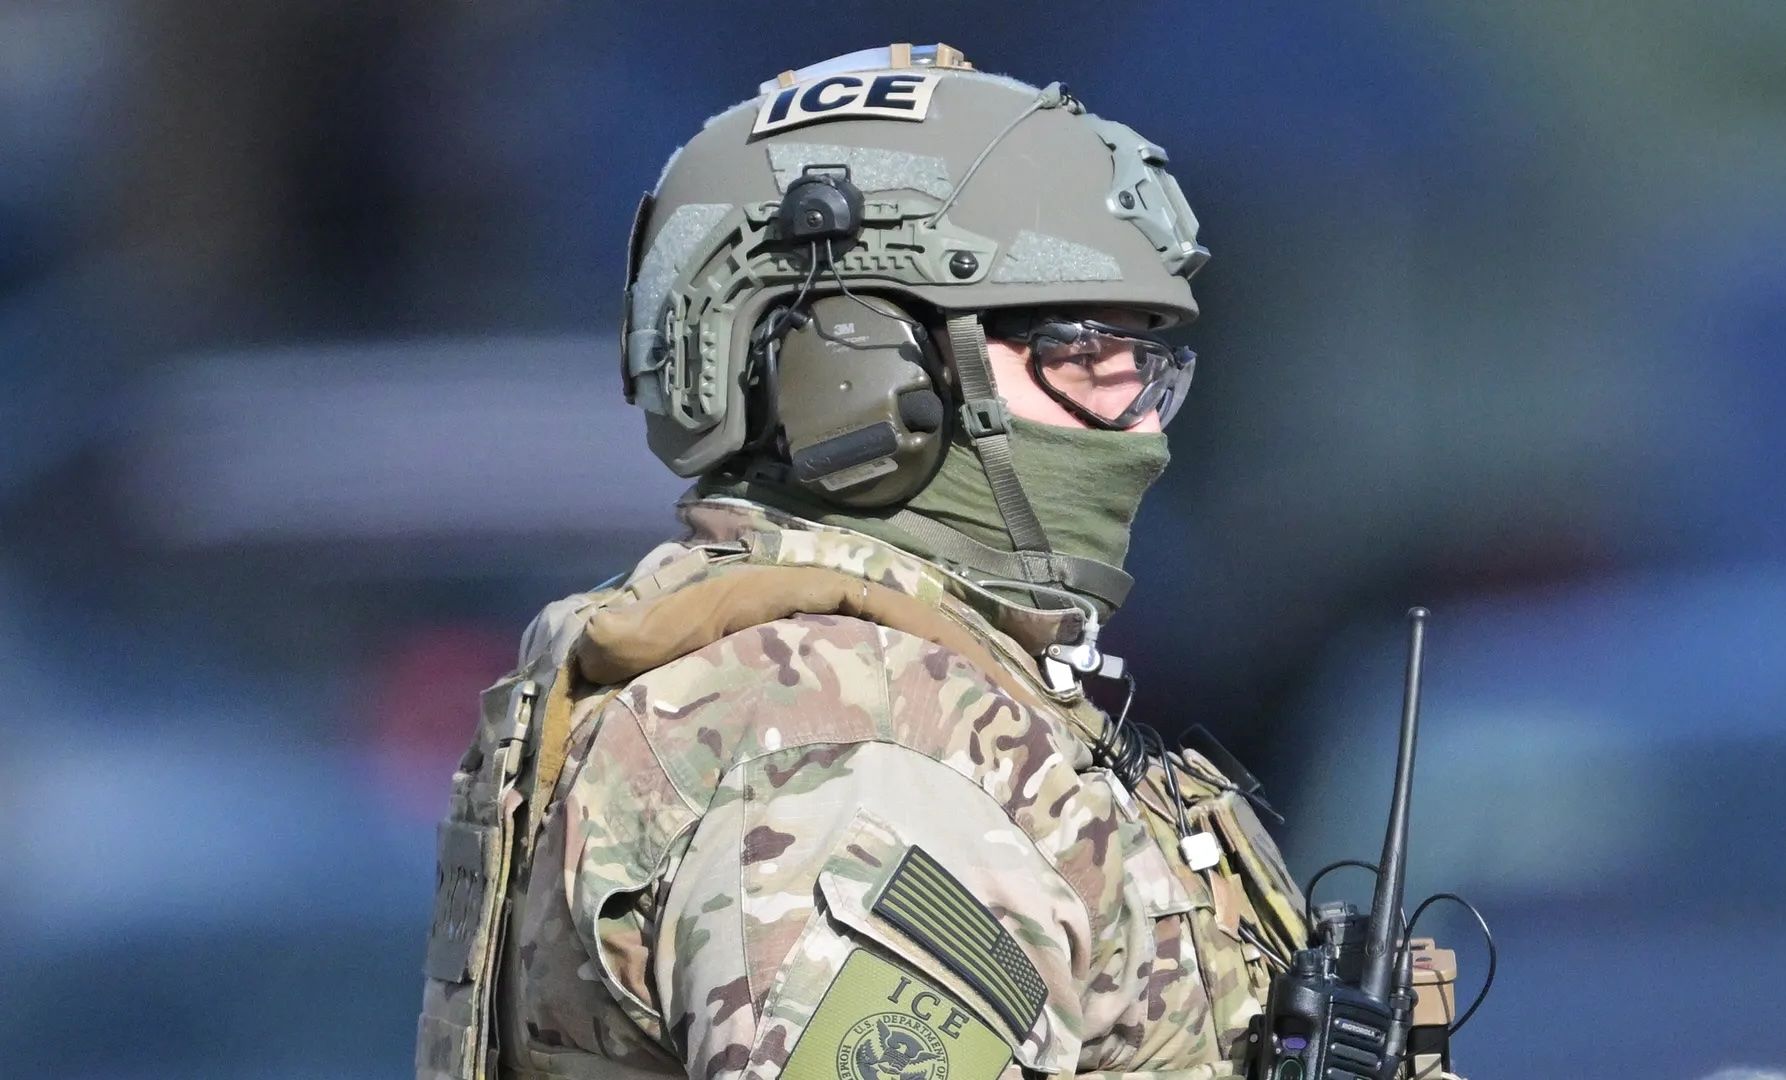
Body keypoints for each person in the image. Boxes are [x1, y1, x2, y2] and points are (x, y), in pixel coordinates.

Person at [416, 43, 1335, 1080]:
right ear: (854, 368)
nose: (1139, 420)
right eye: (1080, 353)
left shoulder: (874, 697)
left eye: (1147, 361)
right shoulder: (847, 744)